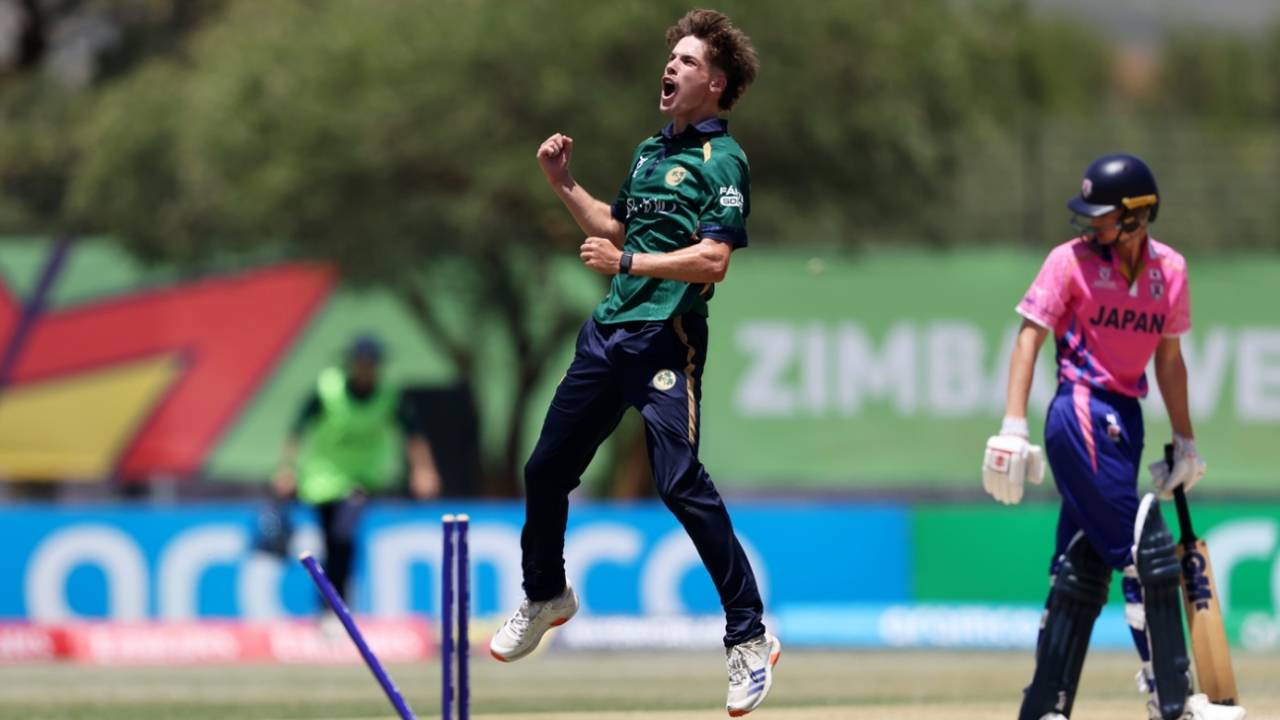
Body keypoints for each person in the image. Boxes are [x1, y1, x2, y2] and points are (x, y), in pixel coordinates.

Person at [487, 9, 778, 717]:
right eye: (670, 58)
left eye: (686, 60)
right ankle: (547, 594)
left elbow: (713, 262)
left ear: (715, 82)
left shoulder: (722, 162)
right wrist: (563, 182)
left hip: (665, 337)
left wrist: (629, 261)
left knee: (678, 483)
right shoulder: (651, 151)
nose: (670, 67)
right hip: (607, 333)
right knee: (545, 470)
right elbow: (618, 227)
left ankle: (749, 634)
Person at [982, 154, 1246, 720]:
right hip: (1079, 408)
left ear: (1138, 216)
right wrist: (1012, 425)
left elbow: (1170, 361)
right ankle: (1173, 700)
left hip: (1125, 418)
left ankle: (1045, 704)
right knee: (1146, 549)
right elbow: (1030, 336)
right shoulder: (1069, 262)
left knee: (1080, 565)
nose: (1090, 226)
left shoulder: (1169, 270)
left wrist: (1185, 439)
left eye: (1102, 216)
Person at [273, 334, 441, 615]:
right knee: (331, 539)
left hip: (360, 480)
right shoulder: (328, 390)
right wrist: (287, 469)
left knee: (344, 537)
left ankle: (335, 605)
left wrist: (424, 470)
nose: (365, 370)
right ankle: (329, 605)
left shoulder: (388, 395)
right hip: (321, 480)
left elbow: (413, 434)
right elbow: (296, 431)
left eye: (371, 365)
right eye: (360, 364)